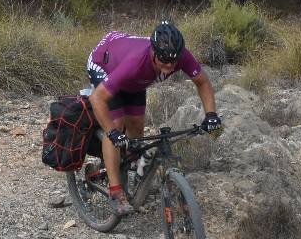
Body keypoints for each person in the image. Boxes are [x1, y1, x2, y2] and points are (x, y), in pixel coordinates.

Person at [85, 20, 221, 215]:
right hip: (104, 62)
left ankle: (130, 166)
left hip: (135, 78)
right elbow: (97, 98)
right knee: (115, 124)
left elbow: (203, 82)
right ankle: (116, 191)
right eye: (164, 62)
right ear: (154, 52)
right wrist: (112, 133)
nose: (168, 68)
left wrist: (211, 115)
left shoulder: (179, 56)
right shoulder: (136, 63)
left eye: (173, 63)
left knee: (137, 126)